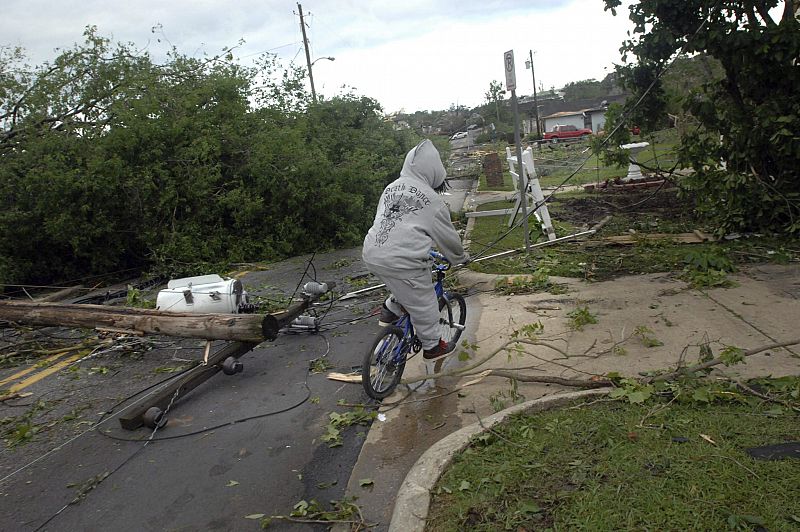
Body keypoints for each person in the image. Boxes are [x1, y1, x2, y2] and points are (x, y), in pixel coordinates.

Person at [362, 139, 468, 360]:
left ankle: (390, 308)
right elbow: (448, 239)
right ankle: (432, 346)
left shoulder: (391, 187)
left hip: (373, 252)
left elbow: (397, 226)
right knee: (425, 303)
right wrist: (460, 258)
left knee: (401, 283)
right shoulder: (432, 200)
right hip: (402, 260)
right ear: (433, 170)